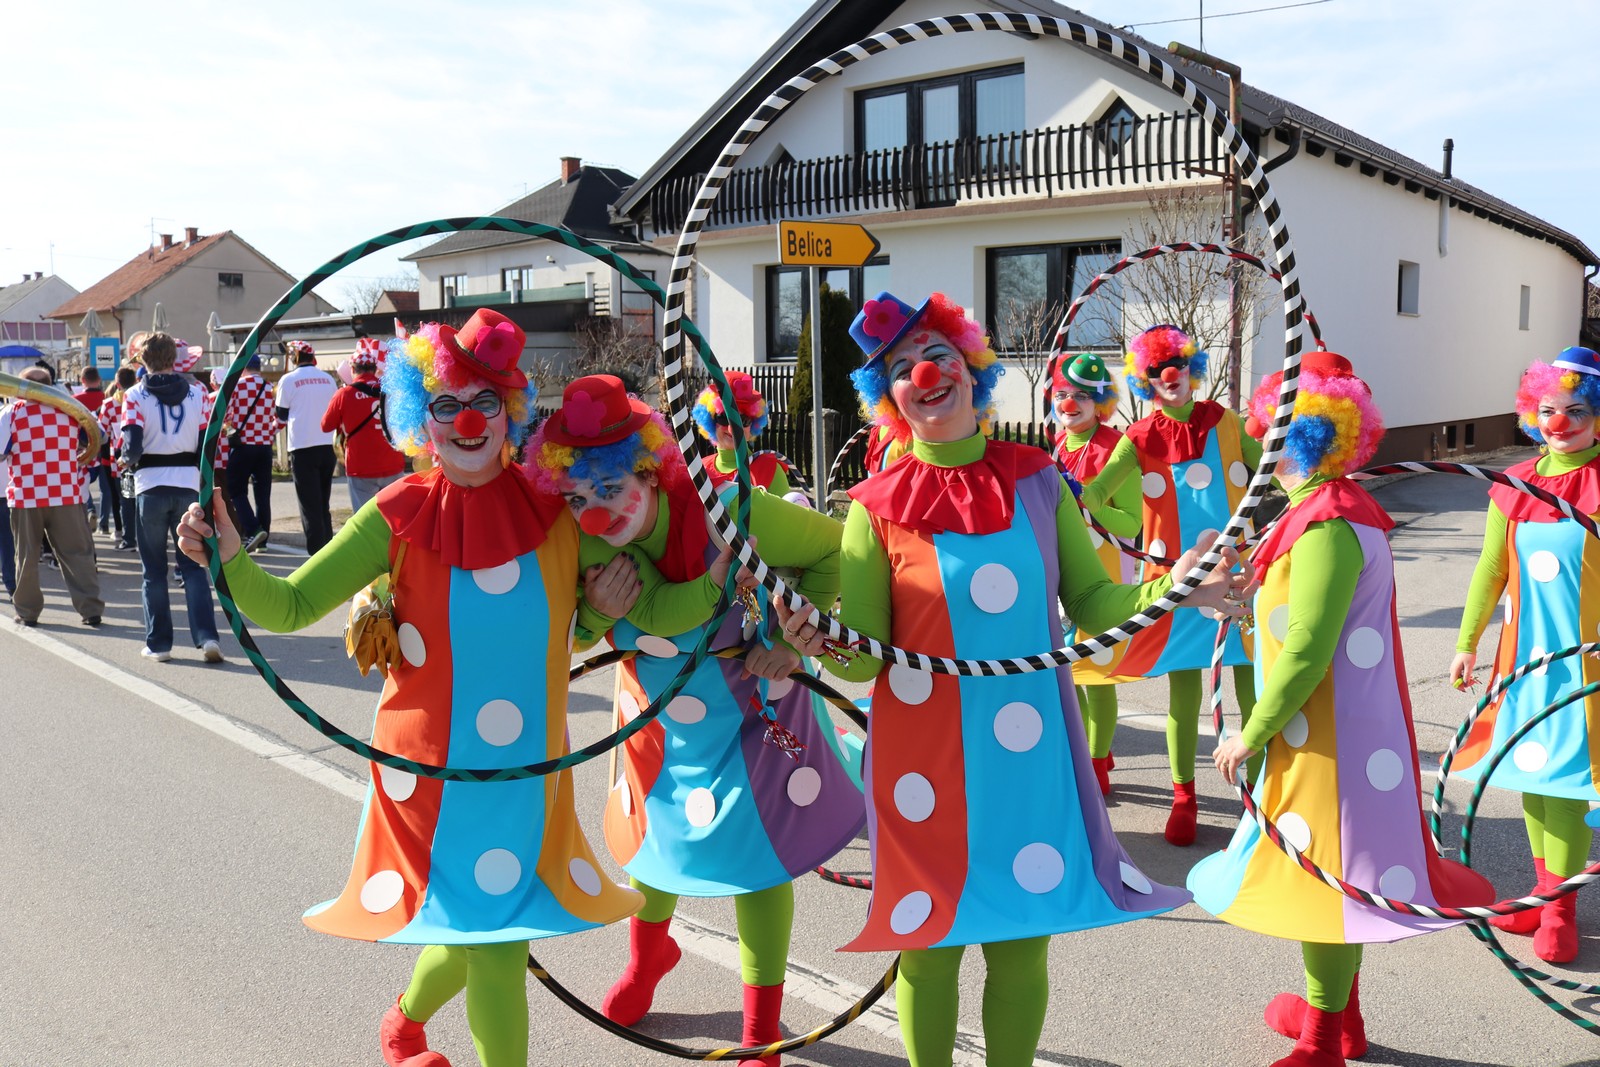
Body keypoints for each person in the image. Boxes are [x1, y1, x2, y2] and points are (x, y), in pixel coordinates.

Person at [176, 310, 714, 1067]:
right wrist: (227, 554)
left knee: (479, 934)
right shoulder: (394, 515)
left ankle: (401, 1023)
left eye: (486, 402)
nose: (468, 420)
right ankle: (411, 1030)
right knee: (493, 945)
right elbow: (289, 606)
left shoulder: (557, 513)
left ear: (510, 411)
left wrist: (622, 604)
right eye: (446, 404)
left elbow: (586, 625)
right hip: (431, 775)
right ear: (417, 418)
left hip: (528, 773)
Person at [795, 291, 1251, 1067]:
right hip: (922, 764)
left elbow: (1096, 604)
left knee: (1017, 945)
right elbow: (866, 654)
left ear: (973, 367)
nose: (925, 373)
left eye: (938, 354)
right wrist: (817, 639)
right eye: (900, 369)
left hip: (1026, 753)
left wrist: (1177, 586)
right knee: (931, 946)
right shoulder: (873, 510)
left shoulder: (1039, 481)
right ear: (889, 399)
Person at [529, 373, 862, 1067]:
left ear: (649, 467)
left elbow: (839, 549)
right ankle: (649, 962)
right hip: (657, 720)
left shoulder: (733, 509)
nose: (594, 513)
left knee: (758, 862)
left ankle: (759, 1030)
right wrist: (595, 611)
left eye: (610, 489)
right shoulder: (580, 535)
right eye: (577, 497)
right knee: (658, 851)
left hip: (754, 708)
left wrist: (793, 632)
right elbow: (613, 621)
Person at [1189, 352, 1495, 1067]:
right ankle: (1339, 1014)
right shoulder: (1311, 515)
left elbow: (1307, 648)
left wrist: (1251, 731)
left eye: (1273, 425)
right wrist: (1240, 606)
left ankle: (1323, 1038)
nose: (1262, 436)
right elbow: (1288, 622)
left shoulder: (1326, 523)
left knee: (1327, 879)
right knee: (1326, 874)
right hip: (1324, 732)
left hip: (1331, 738)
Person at [1078, 324, 1258, 845]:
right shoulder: (1137, 439)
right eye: (1155, 370)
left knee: (1247, 689)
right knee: (1182, 695)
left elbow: (1276, 469)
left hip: (1235, 573)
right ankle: (1185, 797)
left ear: (1192, 368)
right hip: (1173, 582)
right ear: (1144, 380)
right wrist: (1071, 498)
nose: (1168, 376)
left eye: (1175, 364)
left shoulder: (1227, 423)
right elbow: (1093, 496)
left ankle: (1257, 796)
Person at [1450, 346, 1600, 965]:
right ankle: (1544, 893)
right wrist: (1466, 643)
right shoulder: (1516, 482)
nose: (1558, 422)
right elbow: (1490, 568)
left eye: (1577, 410)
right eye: (1546, 409)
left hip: (1584, 661)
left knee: (1564, 784)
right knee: (1534, 776)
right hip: (1523, 658)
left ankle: (1561, 910)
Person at [1045, 350, 1140, 796]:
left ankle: (1097, 767)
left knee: (1098, 674)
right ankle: (1086, 752)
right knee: (1070, 673)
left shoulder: (1117, 447)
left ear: (1100, 402)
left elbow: (1133, 523)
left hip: (1105, 575)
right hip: (1066, 574)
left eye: (1081, 396)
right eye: (1063, 394)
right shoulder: (1060, 446)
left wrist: (1090, 505)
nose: (1069, 404)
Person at [121, 333, 222, 663]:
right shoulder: (199, 392)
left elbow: (132, 447)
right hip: (188, 486)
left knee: (153, 570)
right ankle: (207, 637)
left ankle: (160, 644)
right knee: (194, 567)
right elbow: (208, 442)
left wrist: (125, 460)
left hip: (149, 486)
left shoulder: (135, 394)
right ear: (174, 358)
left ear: (143, 359)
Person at [0, 366, 104, 627]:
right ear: (49, 385)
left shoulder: (11, 413)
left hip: (26, 497)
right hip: (66, 494)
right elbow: (99, 436)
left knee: (26, 556)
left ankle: (27, 612)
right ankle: (90, 610)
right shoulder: (70, 410)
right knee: (77, 554)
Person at [323, 337, 407, 514]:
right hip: (392, 462)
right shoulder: (390, 390)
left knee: (364, 519)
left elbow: (326, 425)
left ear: (352, 369)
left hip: (360, 466)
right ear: (375, 369)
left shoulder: (344, 394)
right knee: (394, 517)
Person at [275, 339, 339, 553]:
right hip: (326, 445)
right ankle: (329, 547)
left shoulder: (288, 379)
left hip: (301, 446)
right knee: (323, 503)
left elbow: (281, 415)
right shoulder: (328, 379)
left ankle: (315, 552)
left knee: (308, 505)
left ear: (294, 358)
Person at [690, 371, 795, 498]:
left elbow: (783, 516)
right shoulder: (700, 470)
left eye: (743, 420)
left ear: (753, 424)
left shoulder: (769, 470)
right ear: (710, 420)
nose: (732, 428)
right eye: (724, 417)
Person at [223, 352, 278, 554]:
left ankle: (254, 529)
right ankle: (263, 542)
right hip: (264, 446)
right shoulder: (269, 387)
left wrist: (230, 430)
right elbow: (276, 417)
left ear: (243, 367)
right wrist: (267, 432)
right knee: (263, 493)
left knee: (236, 489)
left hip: (243, 445)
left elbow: (226, 416)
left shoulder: (236, 386)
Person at [74, 366, 119, 539]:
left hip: (83, 450)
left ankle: (90, 509)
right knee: (106, 490)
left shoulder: (74, 400)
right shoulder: (106, 398)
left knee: (82, 483)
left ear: (82, 380)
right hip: (106, 449)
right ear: (99, 380)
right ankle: (104, 524)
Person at [104, 365, 140, 551]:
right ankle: (144, 539)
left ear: (117, 383)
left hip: (118, 459)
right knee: (141, 500)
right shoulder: (141, 398)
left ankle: (129, 539)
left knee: (125, 501)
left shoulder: (109, 404)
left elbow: (102, 432)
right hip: (142, 457)